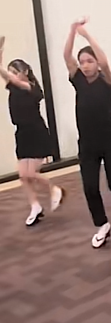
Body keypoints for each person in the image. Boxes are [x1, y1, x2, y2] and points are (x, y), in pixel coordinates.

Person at [64, 19, 111, 249]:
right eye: (82, 62)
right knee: (90, 187)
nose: (85, 65)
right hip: (87, 144)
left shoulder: (107, 82)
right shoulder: (78, 81)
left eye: (90, 61)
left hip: (109, 140)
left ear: (97, 63)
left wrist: (87, 36)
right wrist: (72, 31)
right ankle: (102, 225)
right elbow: (66, 56)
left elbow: (105, 62)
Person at [0, 37, 64, 226]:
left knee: (30, 174)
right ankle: (35, 206)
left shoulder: (31, 88)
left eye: (15, 72)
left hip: (36, 132)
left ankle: (54, 189)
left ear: (25, 72)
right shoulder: (13, 87)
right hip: (22, 134)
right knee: (22, 175)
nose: (12, 76)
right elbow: (5, 75)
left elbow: (12, 79)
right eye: (10, 72)